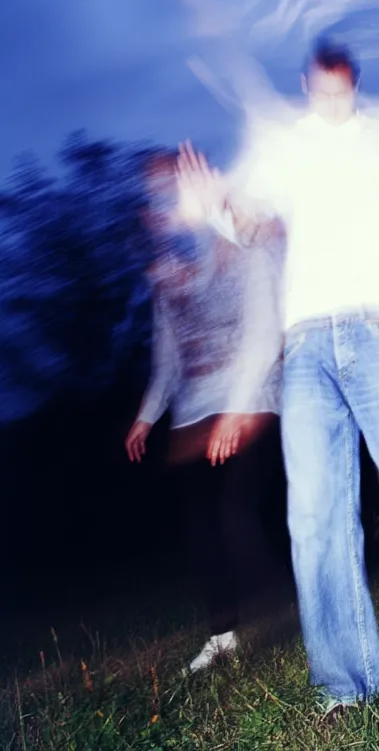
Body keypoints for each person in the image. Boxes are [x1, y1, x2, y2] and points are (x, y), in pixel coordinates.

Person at [175, 40, 379, 712]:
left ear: (354, 82)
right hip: (307, 349)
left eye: (342, 93)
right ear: (306, 84)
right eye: (320, 93)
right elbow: (247, 224)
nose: (332, 103)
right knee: (316, 518)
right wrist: (214, 204)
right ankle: (347, 688)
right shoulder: (282, 143)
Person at [124, 152, 289, 673]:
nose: (160, 210)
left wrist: (238, 409)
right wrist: (146, 417)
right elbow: (168, 357)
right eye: (152, 202)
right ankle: (222, 633)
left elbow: (266, 330)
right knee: (200, 527)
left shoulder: (240, 245)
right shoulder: (166, 277)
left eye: (166, 195)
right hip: (194, 409)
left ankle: (288, 606)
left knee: (237, 512)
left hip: (253, 395)